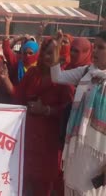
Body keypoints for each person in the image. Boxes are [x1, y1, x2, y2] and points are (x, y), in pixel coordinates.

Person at [1, 37, 74, 196]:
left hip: (49, 142)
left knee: (43, 188)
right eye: (46, 53)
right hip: (28, 139)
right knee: (23, 183)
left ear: (59, 54)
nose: (48, 57)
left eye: (53, 53)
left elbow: (69, 110)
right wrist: (5, 80)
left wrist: (46, 110)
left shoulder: (64, 79)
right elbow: (18, 97)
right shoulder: (33, 73)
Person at [50, 31, 106, 195]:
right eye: (95, 47)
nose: (95, 52)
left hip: (99, 155)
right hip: (77, 148)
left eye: (101, 48)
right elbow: (57, 76)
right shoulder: (86, 72)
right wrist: (56, 48)